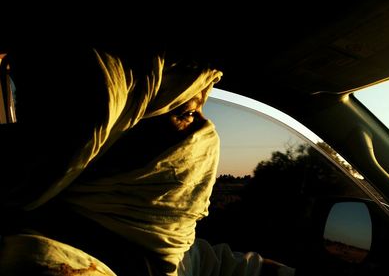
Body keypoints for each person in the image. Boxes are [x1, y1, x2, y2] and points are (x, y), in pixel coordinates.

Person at [0, 44, 295, 276]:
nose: (208, 130)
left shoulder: (153, 251)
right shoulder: (49, 264)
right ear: (108, 143)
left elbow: (219, 265)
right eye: (187, 114)